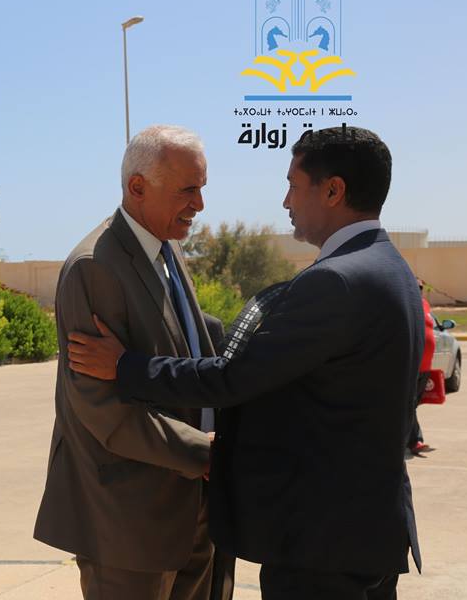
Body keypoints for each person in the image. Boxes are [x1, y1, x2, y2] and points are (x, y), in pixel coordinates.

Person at [67, 126, 422, 600]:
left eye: (293, 185)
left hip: (324, 544)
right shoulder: (388, 266)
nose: (286, 201)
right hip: (356, 533)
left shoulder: (337, 280)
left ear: (333, 190)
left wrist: (125, 367)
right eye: (188, 190)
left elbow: (235, 378)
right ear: (137, 186)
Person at [34, 125, 231, 600]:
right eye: (187, 190)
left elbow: (186, 347)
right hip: (129, 522)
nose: (200, 204)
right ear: (137, 187)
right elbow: (103, 408)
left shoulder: (167, 247)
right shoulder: (95, 267)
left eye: (202, 188)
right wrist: (202, 452)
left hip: (194, 504)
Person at [409, 278, 435, 454]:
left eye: (421, 288)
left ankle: (407, 438)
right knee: (409, 404)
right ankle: (415, 441)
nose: (419, 290)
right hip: (411, 364)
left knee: (413, 404)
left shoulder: (425, 304)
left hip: (425, 365)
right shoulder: (407, 303)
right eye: (416, 287)